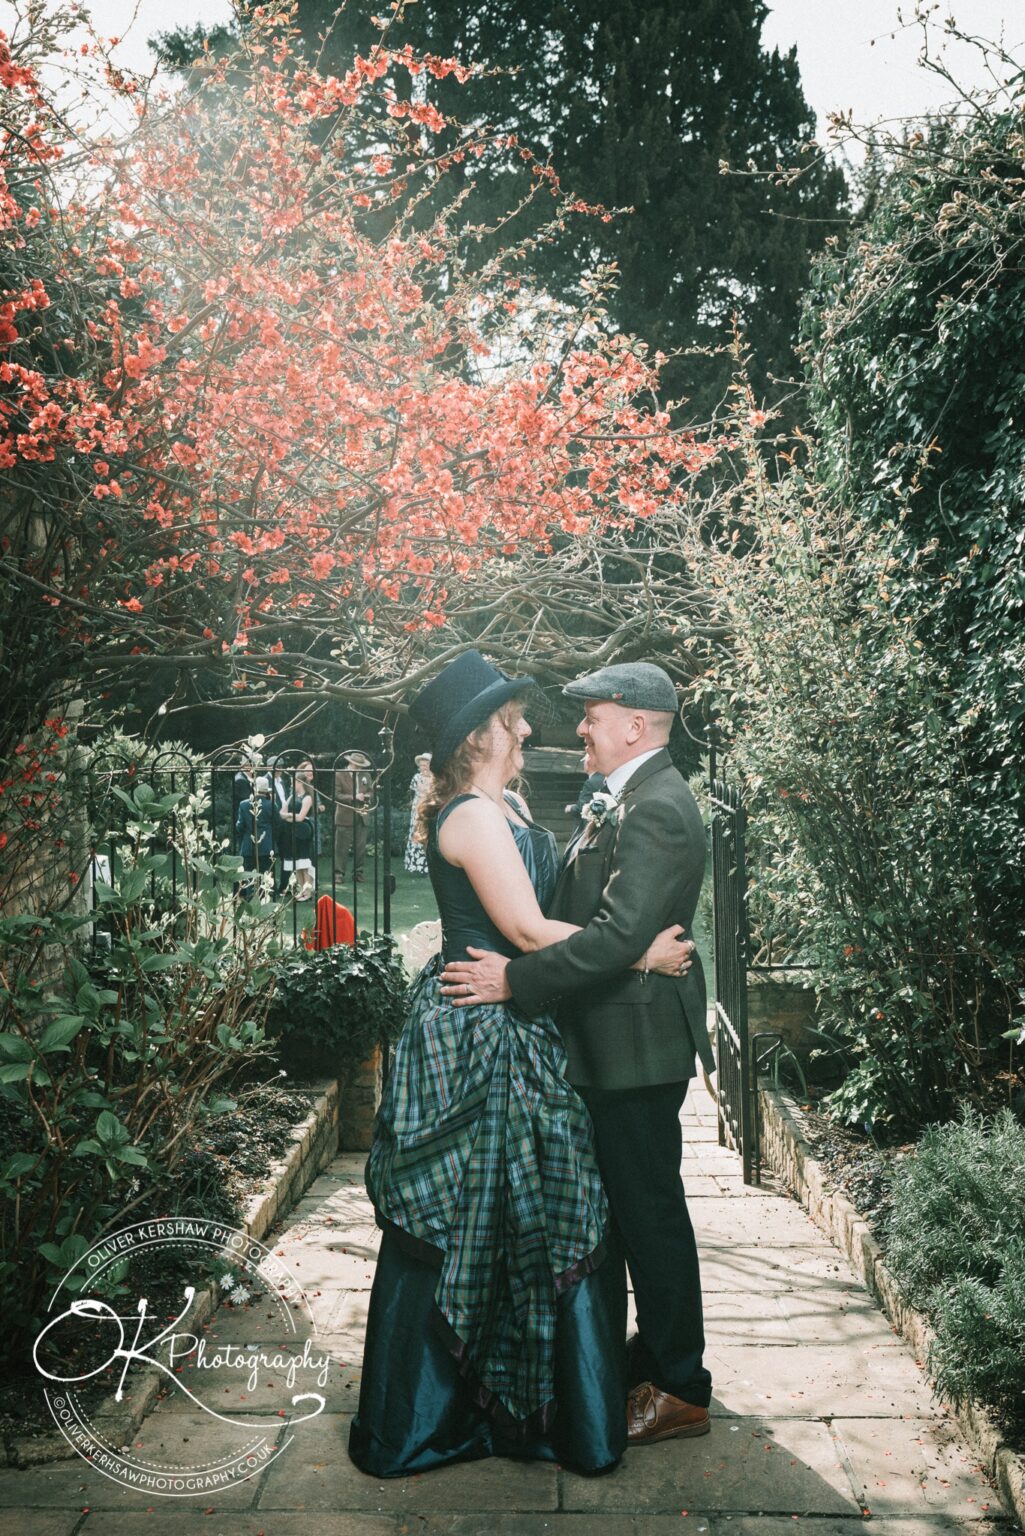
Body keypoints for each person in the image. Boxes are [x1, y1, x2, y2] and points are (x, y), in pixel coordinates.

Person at [347, 650, 689, 1480]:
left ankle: (522, 1397)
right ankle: (447, 1408)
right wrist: (638, 953)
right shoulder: (468, 816)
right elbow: (532, 933)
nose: (532, 727)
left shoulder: (507, 805)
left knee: (532, 1210)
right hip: (477, 1032)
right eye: (514, 719)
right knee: (478, 1210)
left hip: (517, 1015)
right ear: (480, 736)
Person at [441, 662, 715, 1446]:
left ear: (634, 724)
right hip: (608, 1041)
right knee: (628, 1216)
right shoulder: (625, 798)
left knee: (650, 1215)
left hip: (635, 1047)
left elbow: (621, 938)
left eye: (592, 716)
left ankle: (681, 1388)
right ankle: (653, 1352)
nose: (579, 730)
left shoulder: (658, 805)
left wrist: (515, 979)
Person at [333, 749, 375, 885]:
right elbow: (336, 795)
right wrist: (353, 797)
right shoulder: (339, 775)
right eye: (357, 765)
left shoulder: (366, 775)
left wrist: (367, 796)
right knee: (341, 847)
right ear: (351, 763)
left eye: (360, 765)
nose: (359, 767)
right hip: (345, 815)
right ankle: (339, 873)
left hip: (362, 816)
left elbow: (370, 791)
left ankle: (358, 872)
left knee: (361, 847)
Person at [278, 762, 316, 899]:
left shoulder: (308, 798)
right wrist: (289, 816)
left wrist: (289, 816)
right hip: (292, 834)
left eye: (294, 782)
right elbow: (282, 813)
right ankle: (302, 890)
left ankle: (308, 892)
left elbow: (300, 817)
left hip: (303, 834)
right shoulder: (291, 797)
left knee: (304, 864)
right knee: (298, 864)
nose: (292, 784)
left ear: (300, 782)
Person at [235, 774, 275, 901]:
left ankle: (250, 901)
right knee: (265, 875)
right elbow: (278, 823)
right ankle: (264, 901)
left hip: (248, 845)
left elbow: (239, 826)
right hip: (267, 845)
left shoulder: (244, 804)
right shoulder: (271, 805)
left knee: (249, 875)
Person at [403, 751, 431, 874]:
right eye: (421, 765)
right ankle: (415, 865)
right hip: (418, 809)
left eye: (425, 765)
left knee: (428, 835)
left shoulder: (436, 778)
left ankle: (429, 866)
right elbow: (419, 790)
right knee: (416, 834)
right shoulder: (417, 777)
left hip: (430, 809)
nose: (423, 767)